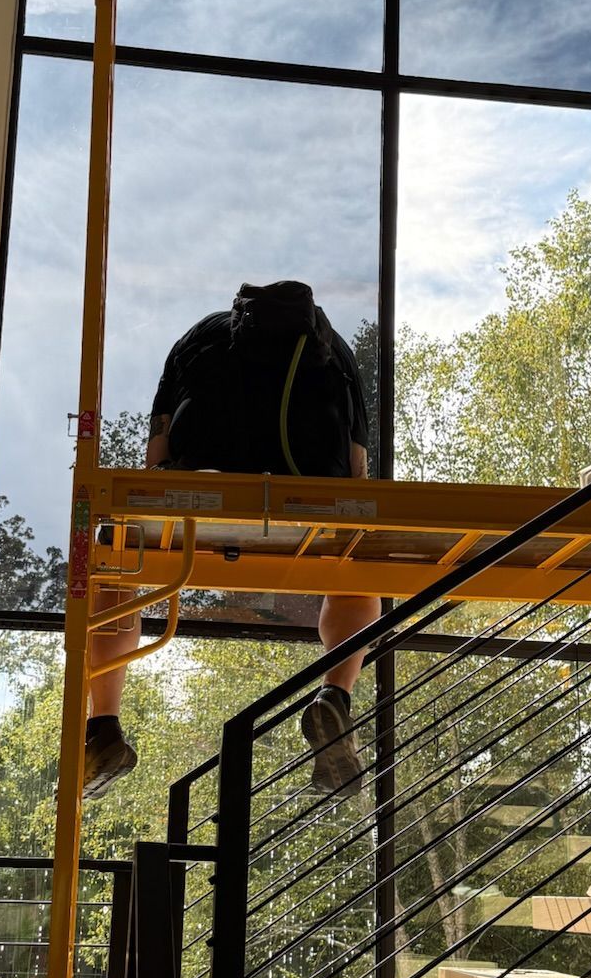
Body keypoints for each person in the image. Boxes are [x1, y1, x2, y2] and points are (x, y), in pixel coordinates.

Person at [83, 281, 382, 802]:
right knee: (357, 572)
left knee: (116, 564)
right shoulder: (330, 347)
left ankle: (102, 723)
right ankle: (335, 695)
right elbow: (356, 469)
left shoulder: (201, 337)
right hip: (306, 509)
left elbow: (157, 453)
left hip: (202, 504)